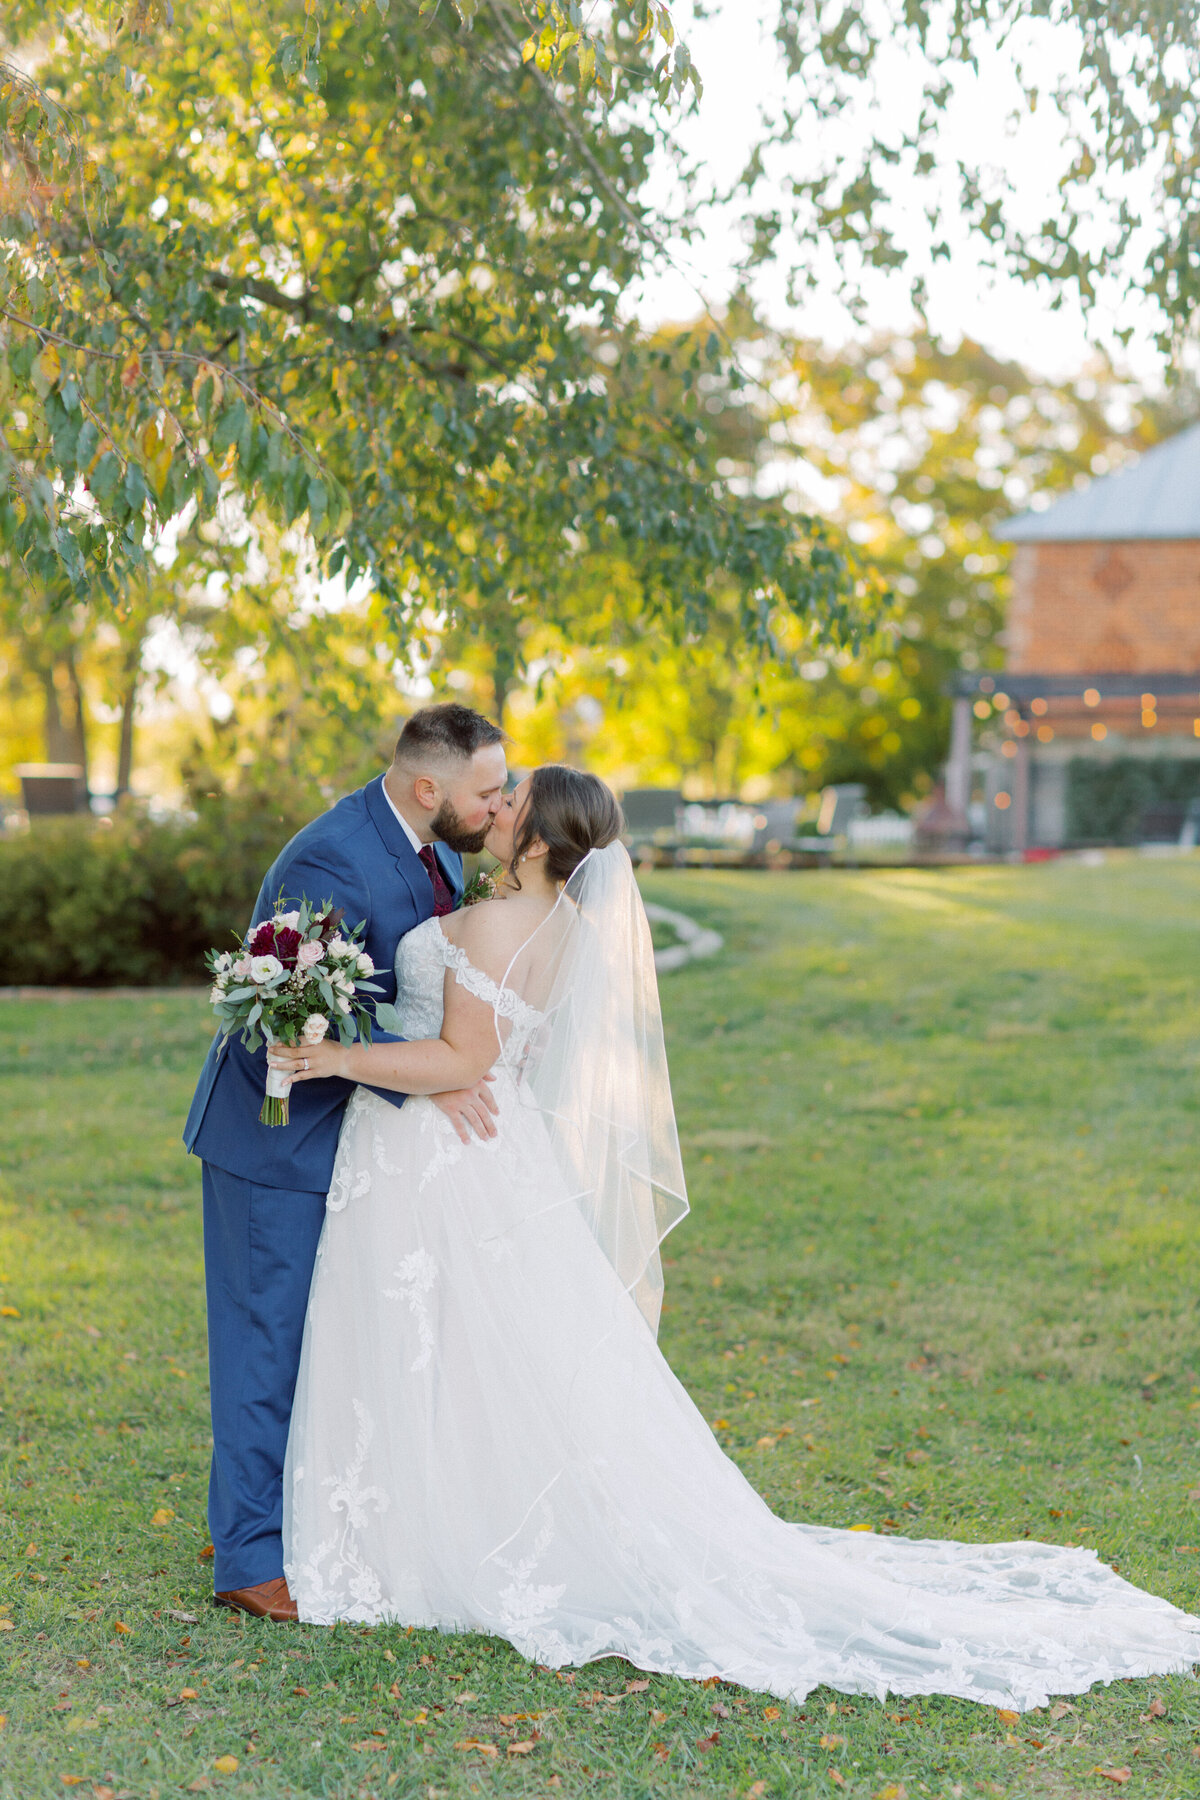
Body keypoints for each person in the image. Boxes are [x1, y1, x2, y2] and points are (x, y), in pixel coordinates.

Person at [268, 765, 1200, 1707]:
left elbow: (466, 1056)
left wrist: (333, 1054)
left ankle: (427, 1531)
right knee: (487, 1350)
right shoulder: (567, 929)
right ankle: (453, 1515)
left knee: (447, 1341)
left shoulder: (493, 923)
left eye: (509, 805)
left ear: (542, 841)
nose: (494, 811)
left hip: (446, 1156)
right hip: (495, 1154)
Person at [183, 703, 507, 1622]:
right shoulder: (331, 855)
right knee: (265, 1343)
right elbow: (291, 1005)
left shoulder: (441, 845)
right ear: (428, 786)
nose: (500, 804)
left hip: (363, 1144)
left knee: (328, 1339)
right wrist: (434, 1075)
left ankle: (300, 1518)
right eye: (488, 790)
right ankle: (248, 1560)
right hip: (276, 1136)